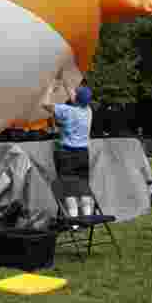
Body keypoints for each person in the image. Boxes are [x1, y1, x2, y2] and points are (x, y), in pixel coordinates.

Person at [43, 78, 94, 221]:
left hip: (68, 154)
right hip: (83, 154)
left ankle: (74, 222)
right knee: (83, 187)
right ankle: (87, 218)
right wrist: (65, 82)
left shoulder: (66, 111)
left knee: (70, 189)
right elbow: (75, 97)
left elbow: (45, 104)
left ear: (76, 98)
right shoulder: (88, 111)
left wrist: (50, 88)